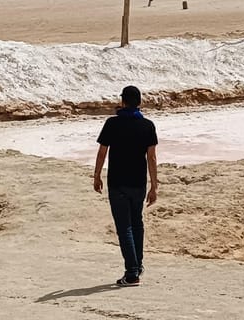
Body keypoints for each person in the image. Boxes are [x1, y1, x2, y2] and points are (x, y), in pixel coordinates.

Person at [93, 85, 158, 287]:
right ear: (139, 102)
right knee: (137, 224)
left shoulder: (112, 123)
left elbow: (102, 152)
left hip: (118, 183)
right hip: (138, 183)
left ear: (123, 101)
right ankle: (137, 265)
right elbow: (152, 158)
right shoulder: (147, 125)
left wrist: (96, 175)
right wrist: (154, 186)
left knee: (125, 227)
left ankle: (132, 273)